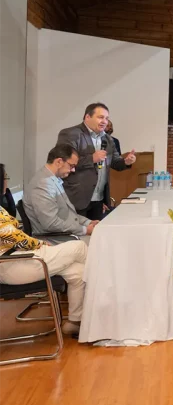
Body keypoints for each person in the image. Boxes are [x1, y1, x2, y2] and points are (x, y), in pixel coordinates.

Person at [0, 205, 89, 336]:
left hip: (16, 259)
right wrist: (39, 244)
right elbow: (10, 235)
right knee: (80, 247)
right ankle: (107, 307)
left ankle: (75, 322)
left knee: (78, 272)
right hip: (10, 263)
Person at [56, 102, 135, 220]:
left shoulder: (108, 139)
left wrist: (126, 162)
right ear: (87, 117)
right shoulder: (71, 134)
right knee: (78, 236)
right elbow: (63, 162)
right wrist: (91, 158)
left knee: (95, 235)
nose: (104, 121)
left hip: (99, 199)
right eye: (100, 117)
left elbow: (115, 162)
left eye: (107, 118)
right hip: (76, 198)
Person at [24, 144, 97, 237]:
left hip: (63, 233)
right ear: (59, 162)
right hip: (53, 238)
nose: (73, 170)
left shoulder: (52, 179)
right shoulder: (43, 185)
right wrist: (84, 230)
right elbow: (51, 223)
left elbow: (66, 214)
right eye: (71, 165)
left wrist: (88, 222)